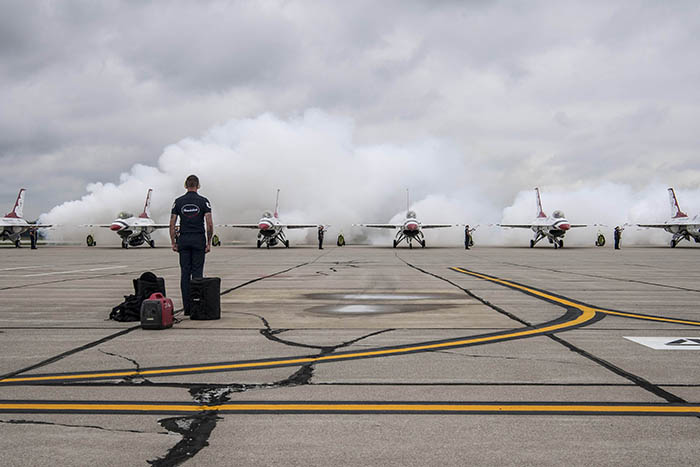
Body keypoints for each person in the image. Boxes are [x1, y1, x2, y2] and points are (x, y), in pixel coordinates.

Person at [170, 175, 213, 315]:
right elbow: (209, 223)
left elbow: (172, 224)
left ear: (185, 185)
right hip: (198, 240)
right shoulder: (204, 202)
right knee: (197, 274)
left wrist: (173, 242)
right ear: (198, 185)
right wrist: (208, 242)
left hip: (184, 240)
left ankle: (187, 308)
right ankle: (197, 307)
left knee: (185, 274)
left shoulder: (178, 202)